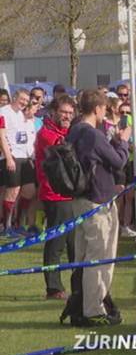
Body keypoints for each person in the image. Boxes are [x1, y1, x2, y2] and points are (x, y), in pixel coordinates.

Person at [66, 89, 131, 326]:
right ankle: (93, 308)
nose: (106, 112)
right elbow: (118, 161)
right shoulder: (92, 134)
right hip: (96, 201)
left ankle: (82, 303)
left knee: (83, 256)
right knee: (100, 256)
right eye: (105, 108)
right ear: (97, 109)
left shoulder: (74, 130)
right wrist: (123, 141)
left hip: (80, 200)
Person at [35, 95, 76, 300]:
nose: (67, 116)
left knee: (73, 243)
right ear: (53, 112)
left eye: (70, 113)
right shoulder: (47, 134)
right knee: (56, 243)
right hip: (55, 195)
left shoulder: (64, 131)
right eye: (63, 112)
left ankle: (77, 286)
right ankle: (53, 288)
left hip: (69, 195)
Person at [1, 89, 37, 232]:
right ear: (14, 97)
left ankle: (18, 222)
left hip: (26, 157)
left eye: (25, 101)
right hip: (12, 156)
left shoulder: (22, 115)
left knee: (29, 190)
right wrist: (9, 157)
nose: (23, 103)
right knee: (13, 191)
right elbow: (2, 136)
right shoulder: (4, 112)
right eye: (21, 99)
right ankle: (7, 225)